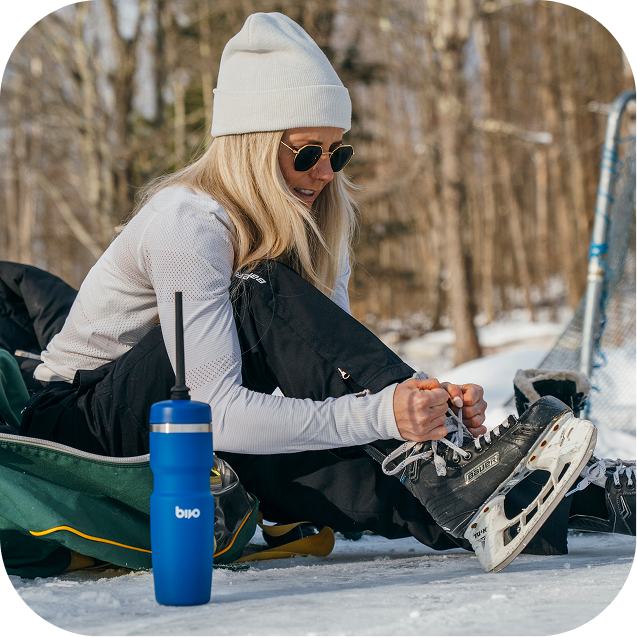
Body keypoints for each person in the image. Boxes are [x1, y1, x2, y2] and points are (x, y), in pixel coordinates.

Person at [13, 12, 627, 572]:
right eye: (307, 153)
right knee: (256, 297)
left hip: (191, 422)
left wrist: (429, 411)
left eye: (339, 151)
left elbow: (332, 370)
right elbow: (215, 412)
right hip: (83, 428)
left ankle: (549, 496)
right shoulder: (187, 221)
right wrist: (392, 413)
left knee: (364, 471)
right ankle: (450, 471)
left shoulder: (321, 217)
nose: (327, 173)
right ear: (251, 147)